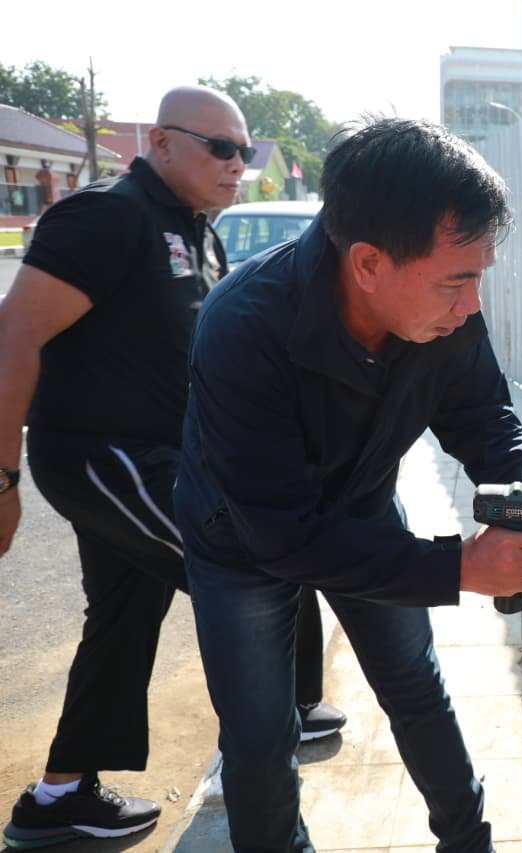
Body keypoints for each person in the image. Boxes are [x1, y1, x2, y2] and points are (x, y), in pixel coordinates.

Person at [172, 117, 522, 852]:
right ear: (369, 263)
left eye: (479, 276)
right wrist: (459, 566)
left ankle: (467, 841)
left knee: (414, 685)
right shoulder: (243, 325)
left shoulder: (443, 310)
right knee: (258, 735)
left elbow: (484, 418)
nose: (471, 305)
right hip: (240, 538)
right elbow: (281, 532)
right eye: (456, 281)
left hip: (364, 507)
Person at [0, 86, 344, 850]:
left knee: (123, 618)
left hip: (168, 457)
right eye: (219, 147)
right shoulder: (107, 217)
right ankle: (274, 733)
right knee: (258, 564)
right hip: (109, 458)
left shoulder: (195, 228)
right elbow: (13, 334)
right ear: (159, 142)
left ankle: (58, 795)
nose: (237, 164)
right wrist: (2, 479)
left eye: (243, 150)